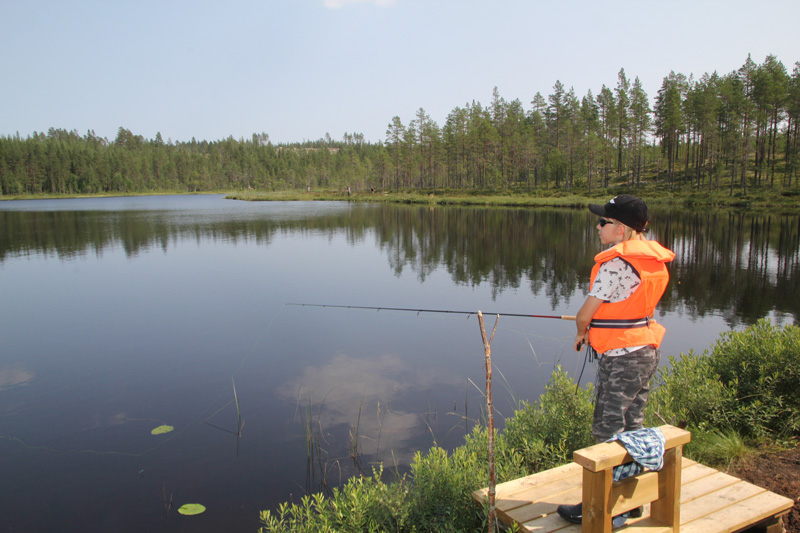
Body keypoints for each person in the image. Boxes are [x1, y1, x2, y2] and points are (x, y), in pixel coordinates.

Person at [558, 194, 675, 526]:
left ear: (621, 230)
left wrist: (582, 332)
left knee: (607, 430)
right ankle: (630, 500)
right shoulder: (653, 260)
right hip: (646, 350)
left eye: (604, 222)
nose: (598, 226)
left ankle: (604, 508)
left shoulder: (615, 264)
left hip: (622, 357)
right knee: (632, 427)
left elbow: (585, 314)